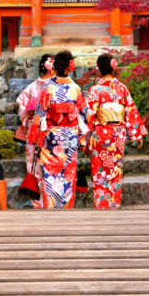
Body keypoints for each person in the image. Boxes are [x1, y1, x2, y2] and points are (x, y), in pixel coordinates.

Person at [27, 50, 90, 209]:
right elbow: (84, 115)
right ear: (69, 68)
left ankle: (51, 209)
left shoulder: (47, 87)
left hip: (51, 138)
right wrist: (83, 139)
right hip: (70, 137)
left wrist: (36, 139)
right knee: (68, 176)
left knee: (50, 175)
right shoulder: (75, 88)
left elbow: (39, 114)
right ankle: (66, 210)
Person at [86, 54, 147, 209]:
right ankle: (114, 204)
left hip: (99, 133)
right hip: (118, 134)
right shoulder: (122, 89)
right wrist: (136, 133)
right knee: (115, 170)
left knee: (99, 170)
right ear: (114, 68)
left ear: (99, 69)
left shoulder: (95, 90)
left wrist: (84, 139)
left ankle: (101, 205)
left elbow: (89, 116)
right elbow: (130, 111)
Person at [16, 53, 55, 208]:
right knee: (34, 163)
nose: (51, 63)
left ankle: (52, 199)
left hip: (54, 128)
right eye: (49, 61)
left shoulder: (61, 85)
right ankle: (38, 200)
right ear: (43, 65)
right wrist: (28, 112)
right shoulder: (33, 86)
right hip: (35, 127)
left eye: (54, 61)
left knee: (53, 161)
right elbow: (21, 101)